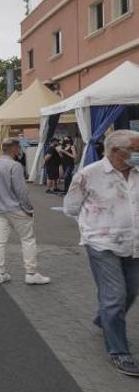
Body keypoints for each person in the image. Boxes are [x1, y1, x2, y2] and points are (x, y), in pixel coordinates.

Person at [64, 130, 139, 377]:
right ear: (117, 151)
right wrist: (95, 225)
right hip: (101, 243)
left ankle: (103, 318)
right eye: (136, 149)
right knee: (115, 295)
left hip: (134, 243)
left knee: (131, 291)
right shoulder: (89, 174)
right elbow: (71, 207)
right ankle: (119, 351)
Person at [0, 138, 51, 285]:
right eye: (18, 148)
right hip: (15, 208)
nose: (20, 150)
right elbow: (21, 190)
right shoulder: (15, 166)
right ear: (14, 149)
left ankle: (0, 272)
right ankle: (31, 272)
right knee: (27, 239)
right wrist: (28, 208)